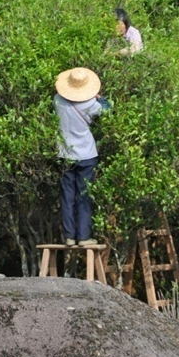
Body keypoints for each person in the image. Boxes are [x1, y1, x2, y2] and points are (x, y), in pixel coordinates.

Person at [53, 67, 109, 246]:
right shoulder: (91, 104)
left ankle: (69, 236)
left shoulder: (57, 101)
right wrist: (102, 99)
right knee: (84, 195)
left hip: (64, 153)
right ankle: (84, 237)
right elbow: (106, 110)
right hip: (86, 154)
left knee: (67, 195)